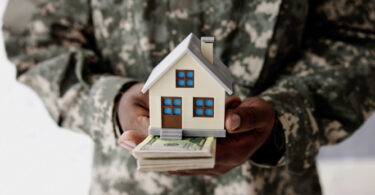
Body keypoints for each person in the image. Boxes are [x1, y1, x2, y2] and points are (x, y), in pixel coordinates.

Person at [3, 0, 375, 194]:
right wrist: (113, 103)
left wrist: (286, 114)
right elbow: (37, 40)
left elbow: (358, 37)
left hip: (277, 185)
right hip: (126, 183)